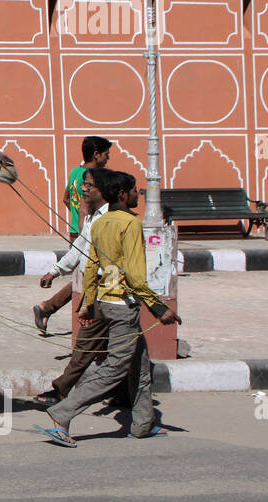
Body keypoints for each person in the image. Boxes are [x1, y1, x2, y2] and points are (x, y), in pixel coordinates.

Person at [41, 170, 182, 446]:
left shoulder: (101, 223)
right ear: (121, 195)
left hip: (106, 302)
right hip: (122, 306)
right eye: (134, 190)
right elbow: (134, 274)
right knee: (114, 369)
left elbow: (92, 265)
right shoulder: (129, 224)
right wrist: (157, 307)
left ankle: (142, 424)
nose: (137, 194)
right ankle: (62, 413)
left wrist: (89, 304)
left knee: (139, 366)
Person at [33, 167, 109, 404]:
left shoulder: (111, 220)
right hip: (95, 290)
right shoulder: (92, 217)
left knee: (88, 349)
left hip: (107, 293)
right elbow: (79, 251)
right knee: (120, 353)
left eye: (88, 185)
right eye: (83, 185)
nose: (83, 189)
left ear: (103, 190)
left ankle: (62, 397)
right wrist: (54, 271)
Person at [33, 135, 113, 331]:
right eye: (106, 155)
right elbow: (86, 206)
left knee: (84, 277)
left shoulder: (75, 172)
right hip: (87, 234)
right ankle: (49, 307)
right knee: (89, 277)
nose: (107, 158)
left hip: (77, 230)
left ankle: (48, 308)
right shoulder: (94, 177)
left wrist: (78, 220)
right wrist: (87, 223)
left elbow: (66, 199)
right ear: (97, 155)